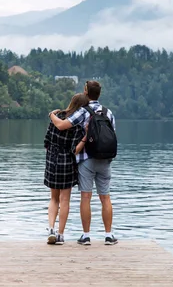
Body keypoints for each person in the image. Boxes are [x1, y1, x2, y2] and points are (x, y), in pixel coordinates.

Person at [50, 80, 118, 245]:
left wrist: (51, 115)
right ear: (99, 94)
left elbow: (61, 125)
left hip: (86, 160)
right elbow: (113, 134)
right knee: (105, 198)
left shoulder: (82, 112)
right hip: (105, 160)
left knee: (86, 197)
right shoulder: (108, 113)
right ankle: (108, 235)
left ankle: (86, 236)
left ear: (86, 92)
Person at [44, 93, 89, 245]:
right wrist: (85, 137)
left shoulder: (56, 117)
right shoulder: (77, 124)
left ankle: (51, 229)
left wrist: (51, 155)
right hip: (67, 161)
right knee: (65, 200)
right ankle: (60, 234)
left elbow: (47, 141)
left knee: (53, 198)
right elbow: (75, 150)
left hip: (52, 159)